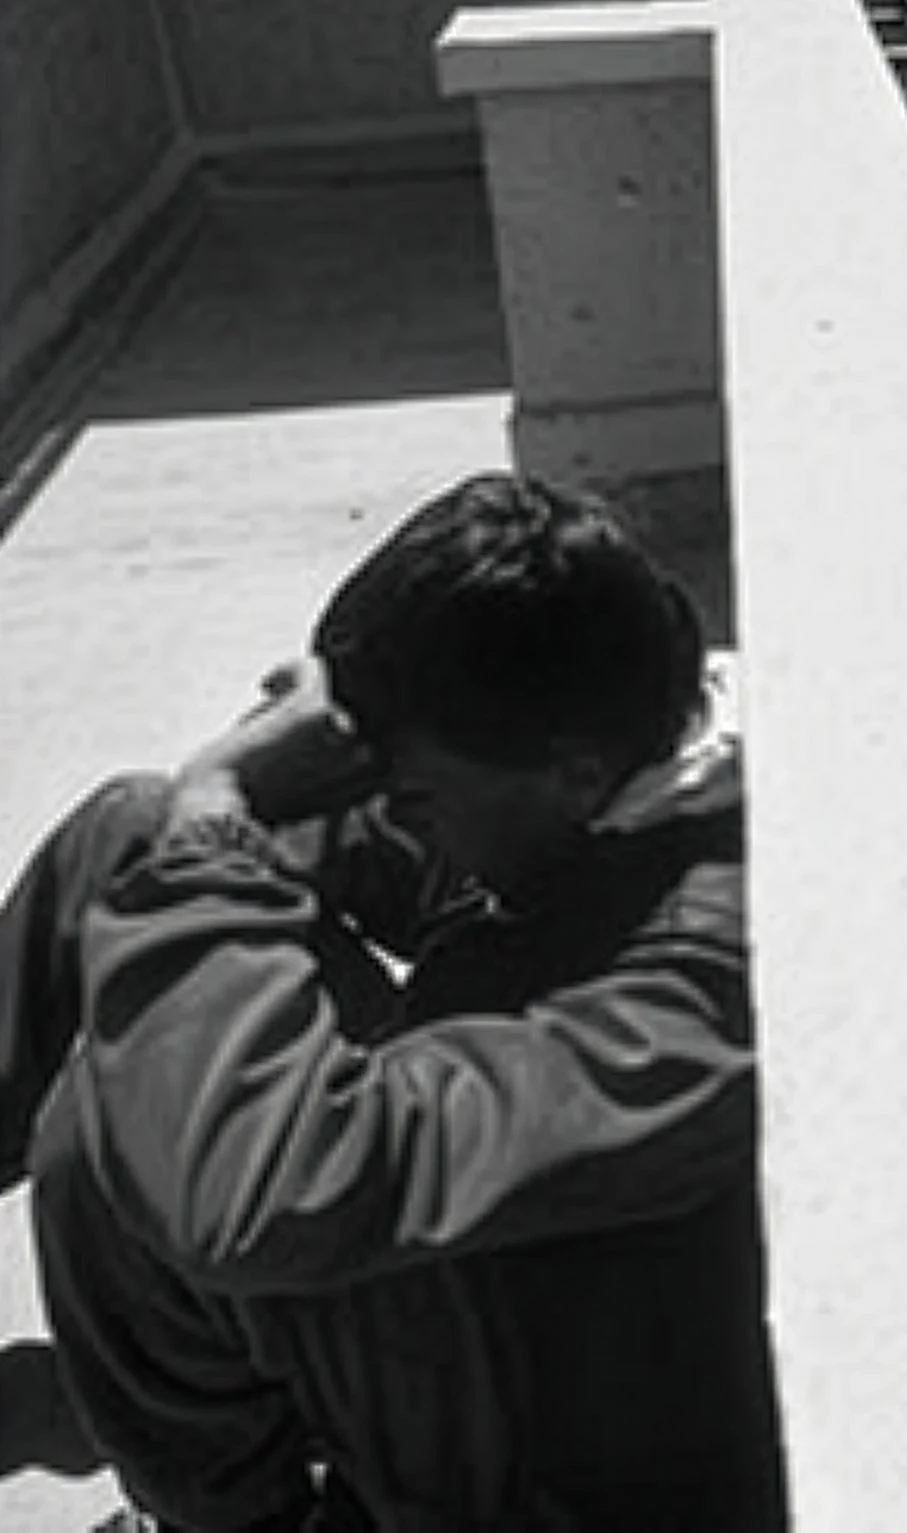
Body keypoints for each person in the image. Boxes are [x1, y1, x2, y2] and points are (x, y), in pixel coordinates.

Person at [0, 473, 784, 1530]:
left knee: (114, 1134)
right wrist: (264, 778)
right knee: (132, 832)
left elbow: (264, 1189)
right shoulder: (607, 760)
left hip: (555, 1448)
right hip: (489, 1256)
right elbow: (358, 835)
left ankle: (234, 1519)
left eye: (412, 791)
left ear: (572, 770)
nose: (394, 813)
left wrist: (218, 824)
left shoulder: (702, 1001)